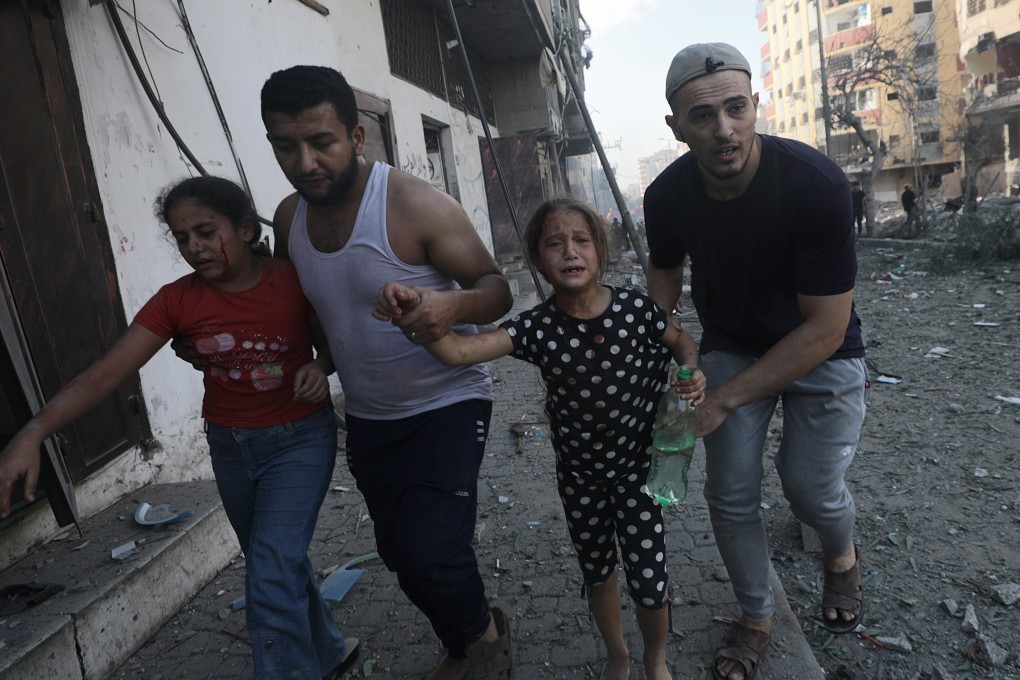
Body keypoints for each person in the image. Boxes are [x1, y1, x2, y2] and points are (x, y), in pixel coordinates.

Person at [0, 176, 359, 680]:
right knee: (274, 563)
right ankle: (328, 654)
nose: (194, 248)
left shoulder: (292, 279)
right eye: (182, 237)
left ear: (245, 228)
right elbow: (106, 374)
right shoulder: (176, 301)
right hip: (230, 446)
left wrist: (320, 371)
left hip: (298, 440)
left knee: (271, 572)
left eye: (207, 232)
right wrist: (32, 431)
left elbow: (337, 343)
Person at [376, 197, 706, 680]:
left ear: (600, 253)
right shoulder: (538, 327)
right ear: (537, 260)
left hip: (640, 473)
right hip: (580, 482)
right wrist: (417, 318)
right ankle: (619, 656)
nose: (569, 252)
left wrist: (691, 373)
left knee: (650, 581)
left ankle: (656, 662)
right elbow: (460, 350)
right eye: (555, 244)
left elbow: (683, 343)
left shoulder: (637, 309)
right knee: (598, 574)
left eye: (581, 241)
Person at [259, 65, 515, 680]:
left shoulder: (413, 203)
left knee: (435, 552)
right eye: (285, 146)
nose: (305, 161)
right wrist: (317, 365)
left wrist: (451, 305)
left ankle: (486, 649)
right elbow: (316, 311)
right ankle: (466, 638)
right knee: (399, 555)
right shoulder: (288, 219)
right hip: (370, 414)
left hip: (448, 401)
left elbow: (496, 289)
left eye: (322, 142)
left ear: (357, 137)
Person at [644, 43, 868, 680]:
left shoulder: (816, 186)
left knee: (811, 488)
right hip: (733, 342)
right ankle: (756, 614)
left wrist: (722, 398)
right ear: (676, 128)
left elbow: (825, 328)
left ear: (755, 105)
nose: (724, 130)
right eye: (702, 117)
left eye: (736, 109)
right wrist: (661, 341)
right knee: (731, 491)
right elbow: (663, 272)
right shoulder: (666, 197)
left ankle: (842, 557)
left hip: (819, 351)